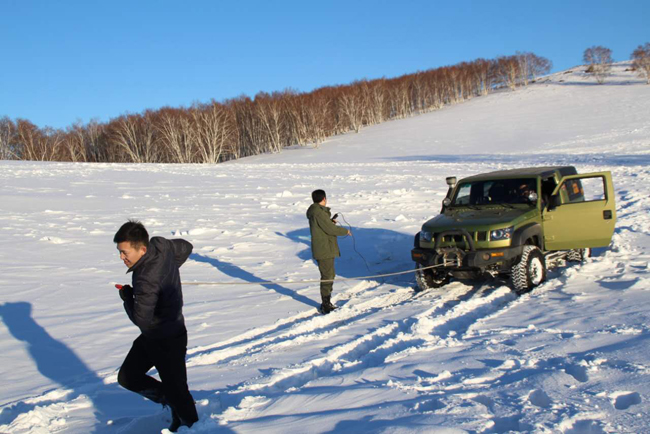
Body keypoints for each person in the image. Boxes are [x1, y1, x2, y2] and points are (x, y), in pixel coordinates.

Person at [113, 220, 198, 432]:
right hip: (155, 335)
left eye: (124, 252)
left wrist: (127, 297)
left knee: (178, 391)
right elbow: (186, 247)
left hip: (168, 339)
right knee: (128, 377)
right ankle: (173, 405)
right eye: (120, 252)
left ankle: (194, 427)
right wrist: (168, 270)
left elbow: (141, 319)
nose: (122, 258)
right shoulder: (160, 245)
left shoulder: (145, 279)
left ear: (142, 249)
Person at [306, 190, 351, 314]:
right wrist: (344, 231)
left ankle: (327, 302)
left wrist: (330, 222)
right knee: (327, 276)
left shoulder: (318, 212)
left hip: (325, 247)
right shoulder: (318, 213)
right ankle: (325, 304)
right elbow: (330, 229)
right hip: (324, 249)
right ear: (324, 199)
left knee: (329, 274)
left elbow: (324, 226)